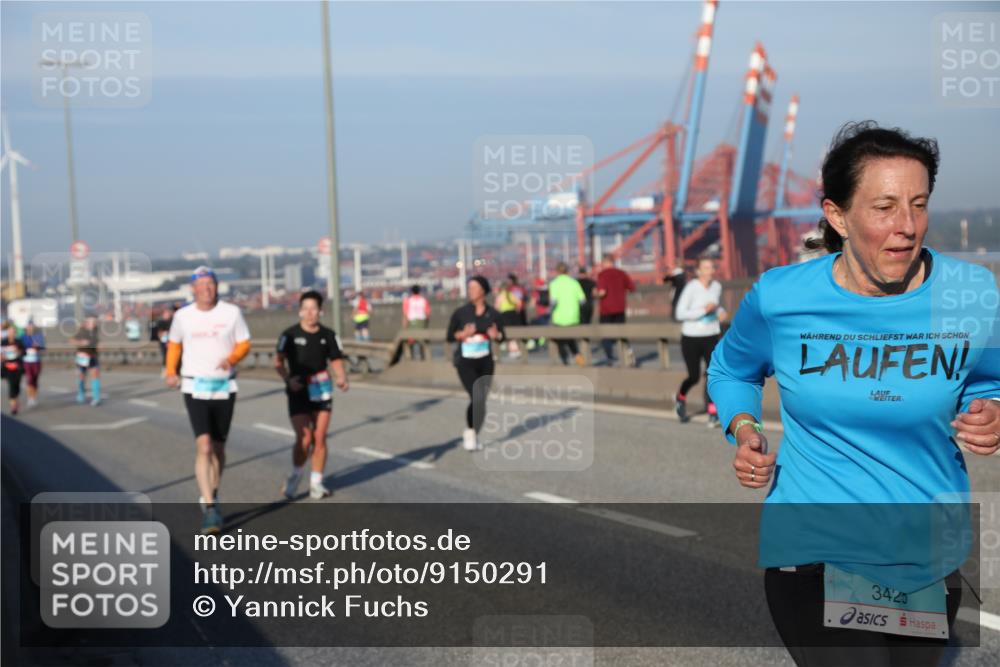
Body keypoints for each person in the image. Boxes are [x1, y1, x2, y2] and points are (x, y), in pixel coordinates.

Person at [707, 122, 999, 667]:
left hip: (925, 557)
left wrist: (993, 410)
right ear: (837, 216)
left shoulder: (970, 293)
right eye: (884, 207)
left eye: (918, 205)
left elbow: (989, 377)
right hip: (816, 549)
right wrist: (744, 428)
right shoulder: (782, 298)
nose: (907, 225)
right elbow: (731, 370)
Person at [165, 266, 251, 535]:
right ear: (193, 289)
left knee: (219, 448)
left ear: (216, 286)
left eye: (210, 284)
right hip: (194, 385)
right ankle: (211, 508)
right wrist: (170, 371)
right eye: (201, 285)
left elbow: (244, 342)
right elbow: (174, 344)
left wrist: (232, 358)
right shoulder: (183, 316)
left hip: (224, 385)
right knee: (204, 446)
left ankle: (212, 491)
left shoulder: (231, 313)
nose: (206, 289)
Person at [275, 290, 349, 500]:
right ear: (300, 311)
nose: (309, 313)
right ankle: (296, 474)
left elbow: (336, 359)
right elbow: (278, 362)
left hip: (321, 389)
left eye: (313, 309)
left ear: (320, 311)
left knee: (319, 437)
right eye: (305, 309)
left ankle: (316, 482)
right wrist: (288, 379)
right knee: (304, 438)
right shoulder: (289, 335)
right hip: (298, 389)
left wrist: (341, 377)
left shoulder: (328, 335)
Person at [446, 276, 506, 452]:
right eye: (469, 287)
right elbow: (449, 336)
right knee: (476, 396)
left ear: (483, 291)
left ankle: (472, 431)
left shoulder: (493, 314)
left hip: (485, 361)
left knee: (481, 400)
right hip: (465, 361)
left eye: (473, 287)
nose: (470, 291)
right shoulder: (461, 313)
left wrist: (496, 335)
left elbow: (502, 336)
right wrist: (462, 334)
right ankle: (471, 433)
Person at [673, 257, 727, 426]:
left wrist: (721, 311)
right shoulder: (691, 288)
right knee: (694, 376)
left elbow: (716, 305)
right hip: (691, 337)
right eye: (706, 267)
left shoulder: (717, 286)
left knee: (712, 374)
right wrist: (703, 310)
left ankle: (712, 411)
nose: (711, 270)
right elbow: (679, 313)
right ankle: (680, 398)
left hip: (711, 335)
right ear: (698, 271)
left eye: (712, 267)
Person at [595, 254, 636, 365]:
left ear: (605, 262)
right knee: (622, 333)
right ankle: (628, 351)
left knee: (606, 335)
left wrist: (595, 294)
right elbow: (632, 288)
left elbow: (602, 292)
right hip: (620, 308)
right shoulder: (622, 273)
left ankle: (610, 358)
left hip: (606, 310)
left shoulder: (602, 274)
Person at [548, 262, 586, 366]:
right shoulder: (574, 283)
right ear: (567, 271)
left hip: (559, 318)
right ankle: (577, 355)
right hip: (573, 317)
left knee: (560, 341)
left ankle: (565, 362)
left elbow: (554, 302)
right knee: (570, 339)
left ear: (557, 271)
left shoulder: (554, 284)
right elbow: (582, 300)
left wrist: (549, 311)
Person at [68, 315, 101, 406]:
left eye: (94, 322)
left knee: (95, 375)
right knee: (82, 376)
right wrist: (81, 342)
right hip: (83, 356)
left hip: (93, 356)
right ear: (87, 322)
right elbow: (71, 340)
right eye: (91, 321)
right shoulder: (82, 331)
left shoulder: (96, 331)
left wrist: (98, 347)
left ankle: (96, 398)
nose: (93, 323)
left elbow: (96, 342)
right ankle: (81, 393)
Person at [2, 322, 26, 415]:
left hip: (17, 367)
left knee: (17, 386)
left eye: (13, 331)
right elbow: (1, 353)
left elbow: (24, 352)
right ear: (8, 332)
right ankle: (13, 407)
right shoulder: (4, 342)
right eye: (10, 331)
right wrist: (2, 357)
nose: (11, 333)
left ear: (15, 333)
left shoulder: (18, 342)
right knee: (11, 385)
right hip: (7, 367)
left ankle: (15, 400)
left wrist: (18, 352)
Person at [494, 280, 522, 359]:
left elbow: (496, 307)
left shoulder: (500, 296)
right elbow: (519, 303)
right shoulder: (511, 294)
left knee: (508, 334)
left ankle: (512, 351)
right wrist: (517, 310)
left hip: (505, 316)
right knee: (514, 334)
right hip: (513, 314)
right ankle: (516, 350)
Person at [20, 321, 45, 409]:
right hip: (27, 361)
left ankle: (34, 397)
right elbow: (20, 346)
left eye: (32, 327)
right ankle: (30, 398)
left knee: (35, 380)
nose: (30, 328)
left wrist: (38, 346)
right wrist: (30, 346)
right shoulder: (23, 337)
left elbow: (43, 347)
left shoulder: (38, 336)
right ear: (26, 328)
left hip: (36, 361)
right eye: (29, 327)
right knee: (29, 379)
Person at [402, 285, 430, 360]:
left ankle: (411, 358)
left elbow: (405, 315)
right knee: (422, 342)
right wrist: (426, 324)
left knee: (410, 342)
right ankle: (423, 358)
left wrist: (404, 327)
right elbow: (427, 314)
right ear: (419, 291)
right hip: (422, 323)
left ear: (412, 291)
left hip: (411, 323)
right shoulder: (424, 300)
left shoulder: (408, 301)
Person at [151, 306, 174, 375]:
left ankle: (171, 369)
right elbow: (159, 333)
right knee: (165, 355)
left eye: (168, 313)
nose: (167, 315)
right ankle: (164, 369)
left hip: (170, 340)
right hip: (163, 341)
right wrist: (164, 334)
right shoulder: (160, 322)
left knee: (170, 355)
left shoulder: (172, 321)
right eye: (166, 314)